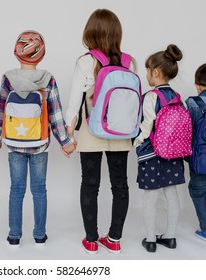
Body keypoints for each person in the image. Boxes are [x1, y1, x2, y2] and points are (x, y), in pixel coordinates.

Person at [0, 30, 76, 247]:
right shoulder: (47, 79)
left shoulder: (8, 78)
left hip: (14, 145)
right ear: (42, 55)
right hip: (40, 145)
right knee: (39, 190)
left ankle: (14, 235)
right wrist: (66, 142)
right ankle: (39, 235)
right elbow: (55, 114)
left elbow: (0, 112)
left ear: (16, 54)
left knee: (16, 190)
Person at [65, 9, 136, 254]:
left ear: (90, 32)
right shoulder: (129, 62)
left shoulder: (85, 61)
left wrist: (68, 136)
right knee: (120, 185)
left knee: (90, 184)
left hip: (91, 131)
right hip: (121, 132)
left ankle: (92, 240)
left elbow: (75, 102)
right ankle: (114, 239)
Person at [134, 44, 185, 252]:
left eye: (147, 70)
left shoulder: (151, 96)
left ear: (155, 72)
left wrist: (135, 142)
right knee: (171, 193)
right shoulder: (177, 97)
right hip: (173, 153)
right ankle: (171, 237)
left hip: (152, 154)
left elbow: (147, 126)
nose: (146, 74)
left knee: (150, 196)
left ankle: (151, 239)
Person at [185, 63, 206, 241]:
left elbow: (187, 132)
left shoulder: (193, 103)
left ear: (198, 84)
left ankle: (205, 229)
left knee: (198, 190)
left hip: (200, 159)